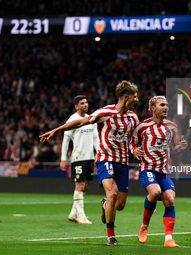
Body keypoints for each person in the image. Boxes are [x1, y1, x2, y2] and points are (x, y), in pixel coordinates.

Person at [39, 80, 139, 246]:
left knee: (119, 205)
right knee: (112, 193)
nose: (137, 100)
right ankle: (111, 236)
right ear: (126, 97)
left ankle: (105, 205)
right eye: (134, 97)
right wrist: (56, 130)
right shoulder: (105, 112)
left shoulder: (133, 117)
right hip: (105, 158)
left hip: (123, 162)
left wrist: (134, 148)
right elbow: (80, 122)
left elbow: (135, 138)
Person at [130, 96, 188, 247]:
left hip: (165, 171)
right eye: (162, 105)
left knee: (170, 198)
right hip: (147, 169)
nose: (165, 107)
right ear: (153, 108)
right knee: (155, 192)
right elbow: (132, 144)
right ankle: (144, 226)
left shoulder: (172, 127)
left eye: (167, 105)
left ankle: (168, 239)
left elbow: (175, 147)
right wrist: (134, 150)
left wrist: (181, 146)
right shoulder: (142, 127)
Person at [60, 95, 99, 225]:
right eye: (82, 103)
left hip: (89, 158)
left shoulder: (90, 119)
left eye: (86, 102)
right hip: (78, 157)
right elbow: (66, 140)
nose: (85, 105)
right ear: (76, 106)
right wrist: (63, 159)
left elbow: (95, 138)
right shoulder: (72, 120)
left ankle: (73, 213)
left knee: (85, 185)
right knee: (80, 185)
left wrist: (98, 153)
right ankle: (81, 216)